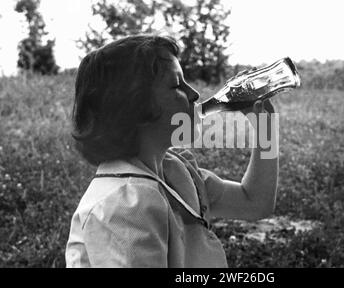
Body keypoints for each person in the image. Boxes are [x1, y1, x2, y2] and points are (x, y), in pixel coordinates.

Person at [65, 35, 279, 268]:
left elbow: (254, 203)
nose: (195, 95)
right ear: (135, 106)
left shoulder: (176, 171)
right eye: (177, 85)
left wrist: (266, 130)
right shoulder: (125, 204)